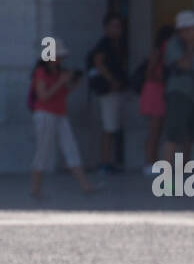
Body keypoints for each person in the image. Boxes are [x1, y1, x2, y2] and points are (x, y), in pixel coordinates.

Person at [29, 38, 97, 199]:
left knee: (71, 147)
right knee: (43, 150)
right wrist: (61, 82)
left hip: (60, 113)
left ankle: (85, 185)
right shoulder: (40, 73)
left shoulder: (60, 72)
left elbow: (62, 93)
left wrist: (72, 84)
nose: (60, 59)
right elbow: (43, 96)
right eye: (56, 56)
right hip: (45, 114)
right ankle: (35, 188)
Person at [160, 10, 194, 167]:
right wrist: (190, 47)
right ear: (185, 30)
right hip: (178, 92)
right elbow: (183, 64)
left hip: (192, 93)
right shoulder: (174, 44)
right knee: (173, 134)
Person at [88, 12, 127, 174]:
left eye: (119, 26)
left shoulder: (117, 45)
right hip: (108, 91)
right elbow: (99, 63)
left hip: (115, 91)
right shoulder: (104, 44)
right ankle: (104, 161)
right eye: (114, 26)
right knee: (108, 126)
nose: (118, 30)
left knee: (113, 125)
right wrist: (112, 81)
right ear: (106, 28)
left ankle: (109, 161)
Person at [139, 25, 174, 173]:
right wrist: (161, 78)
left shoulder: (168, 53)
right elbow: (149, 73)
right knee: (154, 130)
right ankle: (150, 162)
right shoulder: (157, 52)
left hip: (161, 91)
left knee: (158, 130)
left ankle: (155, 161)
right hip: (154, 91)